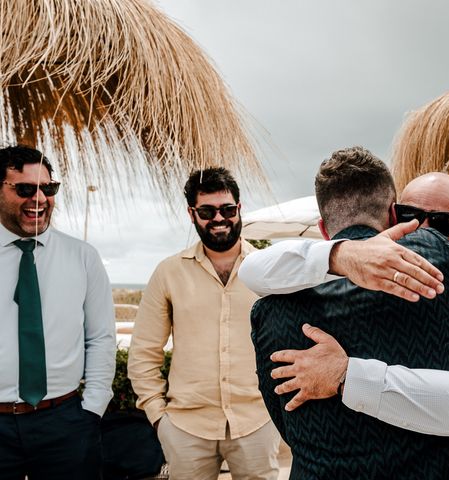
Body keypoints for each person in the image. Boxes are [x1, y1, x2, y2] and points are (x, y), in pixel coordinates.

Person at [250, 147, 449, 479]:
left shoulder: (267, 310)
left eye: (444, 222)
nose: (423, 232)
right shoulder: (444, 268)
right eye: (412, 215)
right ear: (395, 216)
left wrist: (345, 375)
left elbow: (286, 423)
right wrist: (342, 256)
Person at [127, 167, 280, 480]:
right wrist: (159, 418)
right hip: (185, 428)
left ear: (239, 209)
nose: (219, 218)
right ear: (192, 213)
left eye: (227, 209)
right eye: (207, 211)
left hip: (257, 421)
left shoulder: (268, 271)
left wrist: (278, 411)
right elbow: (143, 351)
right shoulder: (168, 272)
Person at [0, 145, 116, 479]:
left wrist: (92, 408)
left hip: (65, 423)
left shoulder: (83, 257)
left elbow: (101, 338)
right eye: (24, 189)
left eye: (48, 189)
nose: (39, 199)